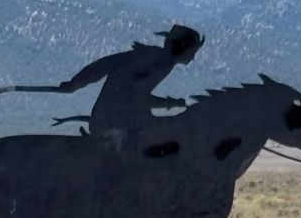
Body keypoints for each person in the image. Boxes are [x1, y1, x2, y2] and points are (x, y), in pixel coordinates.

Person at [51, 24, 205, 138]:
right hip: (116, 125)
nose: (193, 58)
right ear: (183, 48)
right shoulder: (162, 65)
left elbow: (101, 66)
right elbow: (138, 99)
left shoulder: (147, 55)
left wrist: (74, 83)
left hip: (103, 119)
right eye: (193, 52)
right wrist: (170, 103)